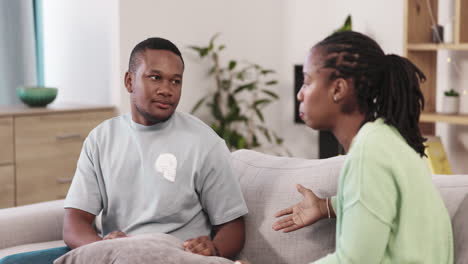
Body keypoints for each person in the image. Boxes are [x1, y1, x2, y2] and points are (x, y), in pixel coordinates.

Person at [0, 37, 248, 264]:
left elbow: (234, 226)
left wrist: (213, 249)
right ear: (130, 81)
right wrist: (102, 246)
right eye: (155, 77)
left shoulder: (205, 142)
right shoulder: (101, 138)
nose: (167, 89)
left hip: (173, 255)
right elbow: (74, 224)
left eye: (176, 81)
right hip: (115, 255)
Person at [239, 31, 454, 264]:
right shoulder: (386, 140)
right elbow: (382, 204)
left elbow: (353, 261)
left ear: (338, 89)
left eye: (308, 82)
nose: (300, 94)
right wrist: (327, 206)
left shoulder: (369, 153)